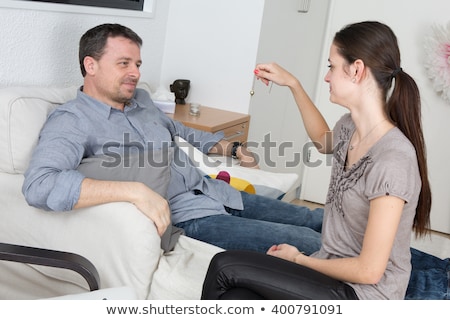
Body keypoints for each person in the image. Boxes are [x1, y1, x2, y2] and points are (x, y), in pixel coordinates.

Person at [22, 23, 324, 255]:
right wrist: (135, 191)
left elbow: (179, 131)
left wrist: (233, 148)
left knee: (317, 219)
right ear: (90, 65)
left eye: (137, 64)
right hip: (188, 219)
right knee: (310, 241)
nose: (135, 73)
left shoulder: (141, 101)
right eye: (123, 63)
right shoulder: (72, 120)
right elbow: (39, 185)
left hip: (213, 190)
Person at [201, 21, 432, 300]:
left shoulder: (393, 159)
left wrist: (298, 260)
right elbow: (323, 140)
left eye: (332, 66)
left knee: (224, 266)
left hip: (364, 295)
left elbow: (370, 271)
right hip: (330, 272)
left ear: (356, 70)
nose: (326, 77)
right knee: (236, 297)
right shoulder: (350, 127)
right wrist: (293, 84)